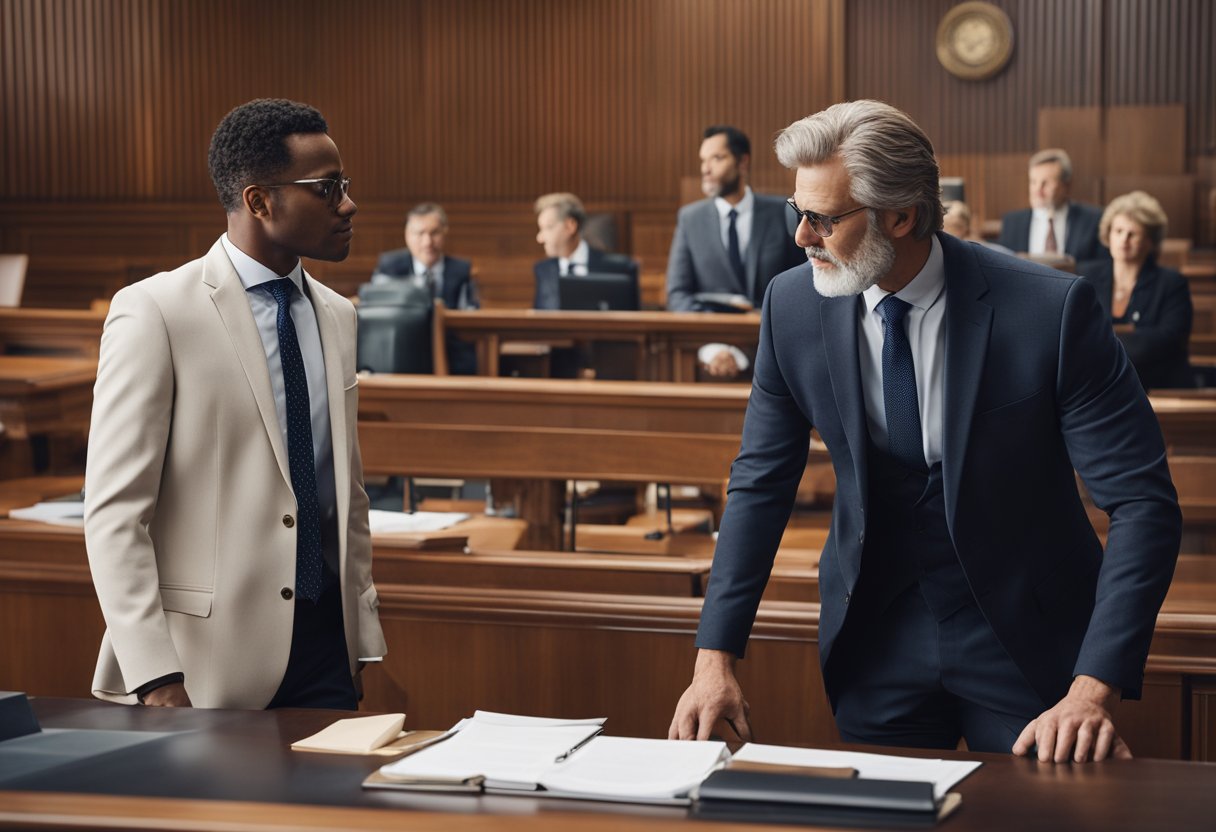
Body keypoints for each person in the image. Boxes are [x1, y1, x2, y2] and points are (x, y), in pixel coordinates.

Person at [669, 101, 1180, 763]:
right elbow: (760, 485)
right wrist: (715, 658)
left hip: (1027, 645)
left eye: (822, 219)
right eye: (798, 213)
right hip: (876, 641)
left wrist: (1094, 688)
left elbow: (1143, 502)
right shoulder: (792, 307)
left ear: (902, 216)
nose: (801, 237)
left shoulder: (1050, 312)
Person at [85, 99, 387, 710]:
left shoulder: (337, 313)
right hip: (200, 666)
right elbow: (116, 515)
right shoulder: (156, 312)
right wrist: (155, 676)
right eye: (327, 189)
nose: (348, 205)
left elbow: (344, 494)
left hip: (325, 650)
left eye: (344, 186)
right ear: (258, 200)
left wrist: (358, 641)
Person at [666, 125, 805, 377]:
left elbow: (802, 283)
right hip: (709, 351)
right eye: (703, 160)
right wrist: (715, 346)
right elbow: (678, 293)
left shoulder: (782, 212)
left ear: (743, 162)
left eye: (717, 158)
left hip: (774, 350)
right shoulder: (690, 219)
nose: (705, 169)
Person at [1081, 191, 1193, 390]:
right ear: (1108, 235)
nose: (1124, 239)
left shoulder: (1172, 283)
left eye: (1132, 234)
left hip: (1154, 386)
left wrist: (1102, 344)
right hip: (1097, 387)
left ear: (1150, 241)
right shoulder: (1086, 276)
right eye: (1118, 231)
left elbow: (1168, 339)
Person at [372, 203, 478, 374]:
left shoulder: (461, 270)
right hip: (401, 353)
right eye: (420, 233)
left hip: (451, 356)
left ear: (445, 232)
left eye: (434, 233)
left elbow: (471, 318)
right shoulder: (389, 267)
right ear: (407, 235)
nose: (428, 242)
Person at [997, 148, 1108, 272]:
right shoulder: (1012, 222)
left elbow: (1105, 266)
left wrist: (1073, 268)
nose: (1037, 190)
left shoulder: (1093, 219)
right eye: (1033, 182)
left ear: (1067, 185)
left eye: (1046, 183)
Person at [532, 192, 637, 310]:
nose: (540, 238)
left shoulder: (621, 268)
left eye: (548, 228)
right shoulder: (543, 271)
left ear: (570, 226)